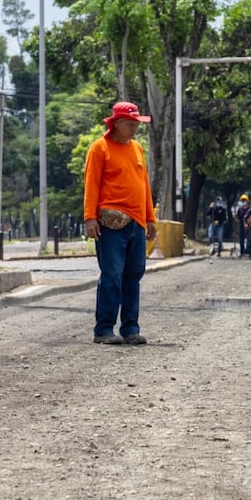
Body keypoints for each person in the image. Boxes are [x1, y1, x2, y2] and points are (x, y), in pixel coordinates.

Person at [83, 101, 158, 346]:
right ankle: (103, 329)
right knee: (112, 275)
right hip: (110, 223)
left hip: (137, 221)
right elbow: (91, 184)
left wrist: (150, 218)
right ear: (115, 123)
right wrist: (90, 217)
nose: (135, 128)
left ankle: (130, 329)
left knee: (134, 274)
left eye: (137, 124)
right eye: (130, 124)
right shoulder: (99, 148)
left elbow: (144, 185)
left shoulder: (137, 148)